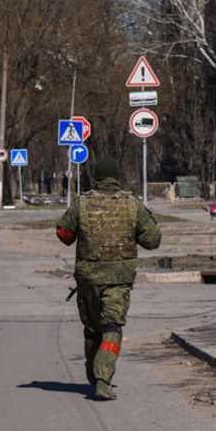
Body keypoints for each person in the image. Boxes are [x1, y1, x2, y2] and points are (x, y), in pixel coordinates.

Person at [56, 157, 161, 400]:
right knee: (112, 327)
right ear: (117, 178)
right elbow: (153, 240)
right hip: (119, 280)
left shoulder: (82, 203)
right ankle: (103, 377)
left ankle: (95, 376)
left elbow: (64, 233)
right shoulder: (132, 204)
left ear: (97, 178)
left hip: (88, 280)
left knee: (93, 329)